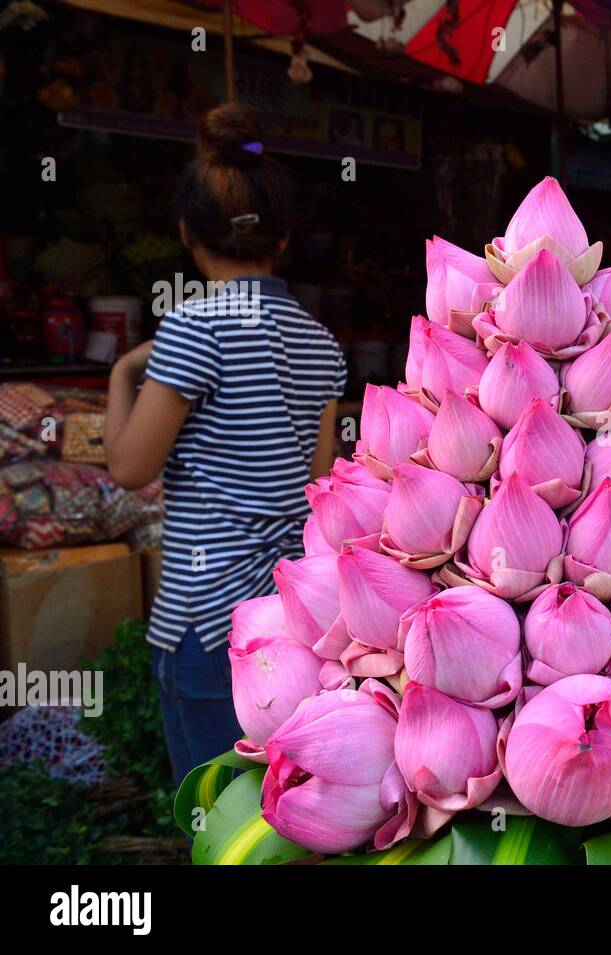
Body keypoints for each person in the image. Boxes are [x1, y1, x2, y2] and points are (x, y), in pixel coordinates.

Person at [105, 103, 346, 786]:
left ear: (187, 233)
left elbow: (129, 466)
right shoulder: (320, 342)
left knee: (215, 817)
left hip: (206, 618)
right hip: (292, 622)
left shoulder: (192, 329)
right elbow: (319, 486)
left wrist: (124, 370)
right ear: (286, 237)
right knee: (283, 818)